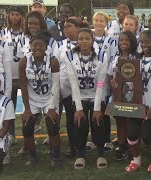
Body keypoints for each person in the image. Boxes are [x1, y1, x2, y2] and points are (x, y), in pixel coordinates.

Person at [62, 28, 108, 169]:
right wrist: (78, 108)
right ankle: (81, 153)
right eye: (81, 38)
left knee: (98, 121)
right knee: (79, 122)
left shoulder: (102, 55)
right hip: (79, 94)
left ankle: (100, 152)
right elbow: (73, 82)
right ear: (77, 40)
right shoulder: (69, 55)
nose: (84, 41)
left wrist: (97, 108)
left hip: (97, 93)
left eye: (87, 38)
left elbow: (100, 83)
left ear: (92, 39)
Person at [124, 30, 151, 172]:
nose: (144, 44)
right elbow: (128, 80)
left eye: (147, 41)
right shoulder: (135, 60)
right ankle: (136, 159)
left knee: (148, 135)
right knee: (131, 133)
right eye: (142, 42)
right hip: (136, 103)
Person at [19, 31, 60, 166]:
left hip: (49, 98)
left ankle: (55, 156)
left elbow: (55, 85)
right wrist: (27, 109)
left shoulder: (52, 61)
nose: (37, 48)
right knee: (27, 128)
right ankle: (32, 156)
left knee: (52, 126)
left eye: (40, 45)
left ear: (46, 46)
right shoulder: (24, 61)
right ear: (30, 46)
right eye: (34, 45)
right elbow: (23, 86)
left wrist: (52, 107)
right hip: (32, 100)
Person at [0, 5, 25, 164]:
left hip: (23, 76)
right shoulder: (1, 34)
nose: (14, 17)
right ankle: (11, 135)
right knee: (9, 107)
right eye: (12, 14)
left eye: (17, 14)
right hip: (8, 76)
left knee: (29, 107)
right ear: (8, 16)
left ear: (22, 17)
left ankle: (30, 135)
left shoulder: (26, 33)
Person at [53, 17, 84, 157]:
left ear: (78, 28)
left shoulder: (86, 42)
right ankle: (73, 148)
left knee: (82, 120)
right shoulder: (60, 45)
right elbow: (55, 68)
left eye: (69, 26)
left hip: (83, 89)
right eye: (64, 27)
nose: (66, 29)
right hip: (66, 89)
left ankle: (82, 146)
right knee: (71, 120)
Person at [107, 31, 138, 160]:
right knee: (120, 122)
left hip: (131, 95)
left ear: (132, 42)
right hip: (118, 95)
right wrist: (112, 82)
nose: (123, 43)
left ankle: (133, 149)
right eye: (121, 41)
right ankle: (122, 147)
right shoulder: (116, 57)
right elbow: (110, 74)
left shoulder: (136, 58)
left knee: (131, 123)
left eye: (127, 41)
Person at [91, 12, 115, 152]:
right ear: (93, 22)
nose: (99, 23)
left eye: (102, 21)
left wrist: (109, 76)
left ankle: (107, 140)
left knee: (104, 109)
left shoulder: (111, 40)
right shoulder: (89, 37)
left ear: (106, 23)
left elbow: (112, 59)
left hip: (104, 79)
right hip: (91, 78)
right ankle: (95, 139)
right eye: (97, 20)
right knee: (93, 108)